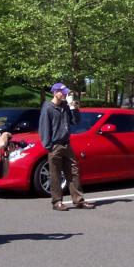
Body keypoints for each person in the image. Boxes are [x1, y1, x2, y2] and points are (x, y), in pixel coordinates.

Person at [38, 82, 96, 211]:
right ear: (55, 92)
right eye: (62, 93)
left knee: (73, 171)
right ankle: (57, 201)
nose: (65, 95)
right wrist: (49, 146)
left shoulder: (65, 106)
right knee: (55, 174)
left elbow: (75, 121)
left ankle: (79, 200)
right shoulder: (47, 108)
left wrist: (74, 109)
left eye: (66, 93)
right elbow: (44, 128)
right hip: (55, 145)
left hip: (66, 144)